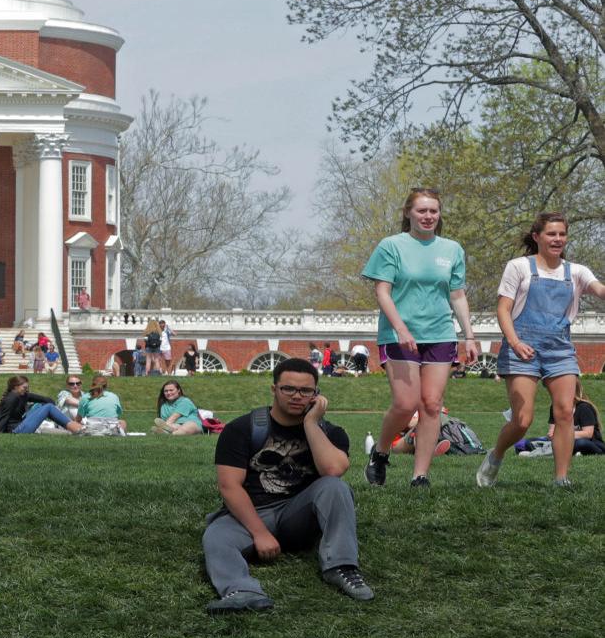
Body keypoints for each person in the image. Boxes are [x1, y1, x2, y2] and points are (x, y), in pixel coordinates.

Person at [203, 357, 372, 614]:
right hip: (253, 513)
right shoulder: (241, 429)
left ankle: (341, 566)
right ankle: (242, 590)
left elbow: (333, 470)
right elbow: (229, 487)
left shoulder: (331, 432)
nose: (297, 396)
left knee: (335, 487)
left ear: (316, 395)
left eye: (305, 391)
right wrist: (259, 533)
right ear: (274, 389)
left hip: (299, 514)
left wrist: (311, 424)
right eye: (288, 388)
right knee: (215, 535)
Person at [477, 212, 605, 488]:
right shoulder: (519, 267)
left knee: (565, 413)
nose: (557, 239)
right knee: (522, 420)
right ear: (537, 237)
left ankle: (561, 478)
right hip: (522, 347)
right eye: (551, 234)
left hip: (559, 350)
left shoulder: (577, 272)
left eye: (562, 234)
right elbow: (503, 308)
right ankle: (496, 455)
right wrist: (514, 342)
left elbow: (600, 290)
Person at [363, 187, 479, 487]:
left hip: (440, 333)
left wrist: (469, 335)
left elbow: (457, 294)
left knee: (431, 404)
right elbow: (382, 292)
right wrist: (400, 327)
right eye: (422, 211)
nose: (428, 216)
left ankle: (420, 475)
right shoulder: (391, 246)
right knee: (405, 403)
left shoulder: (452, 249)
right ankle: (380, 452)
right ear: (408, 213)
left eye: (433, 211)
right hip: (398, 334)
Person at [0, 375, 83, 434]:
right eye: (24, 387)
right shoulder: (12, 398)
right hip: (16, 430)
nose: (26, 389)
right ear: (15, 387)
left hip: (20, 424)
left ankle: (73, 427)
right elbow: (3, 416)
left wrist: (54, 406)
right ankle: (77, 429)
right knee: (48, 407)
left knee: (44, 405)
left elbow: (45, 399)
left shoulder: (23, 395)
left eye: (27, 387)